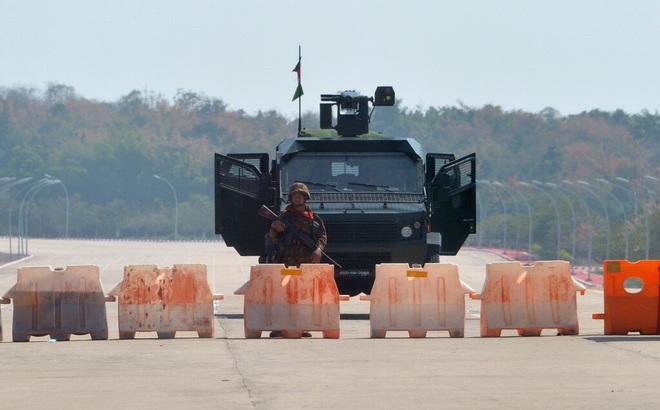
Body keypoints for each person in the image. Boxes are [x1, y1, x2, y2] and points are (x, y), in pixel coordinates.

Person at [268, 182, 328, 338]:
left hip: (305, 263)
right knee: (283, 295)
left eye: (299, 196)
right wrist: (274, 226)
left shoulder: (314, 219)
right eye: (294, 196)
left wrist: (318, 250)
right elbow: (274, 238)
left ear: (305, 197)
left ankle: (303, 326)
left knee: (304, 295)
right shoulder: (284, 216)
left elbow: (322, 237)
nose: (297, 199)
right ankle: (279, 327)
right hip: (286, 262)